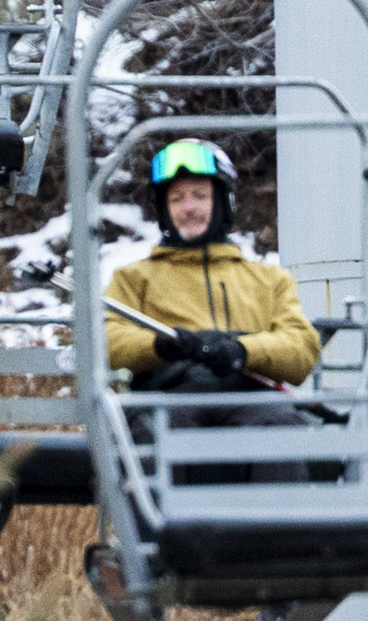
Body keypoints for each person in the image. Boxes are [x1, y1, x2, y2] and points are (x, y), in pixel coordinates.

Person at [104, 138, 322, 456]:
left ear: (222, 202)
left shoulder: (269, 280)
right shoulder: (134, 280)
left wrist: (241, 349)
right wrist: (160, 346)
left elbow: (300, 349)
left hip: (252, 400)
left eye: (200, 195)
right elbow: (108, 342)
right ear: (164, 209)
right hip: (168, 401)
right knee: (160, 431)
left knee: (280, 429)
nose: (188, 207)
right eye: (176, 198)